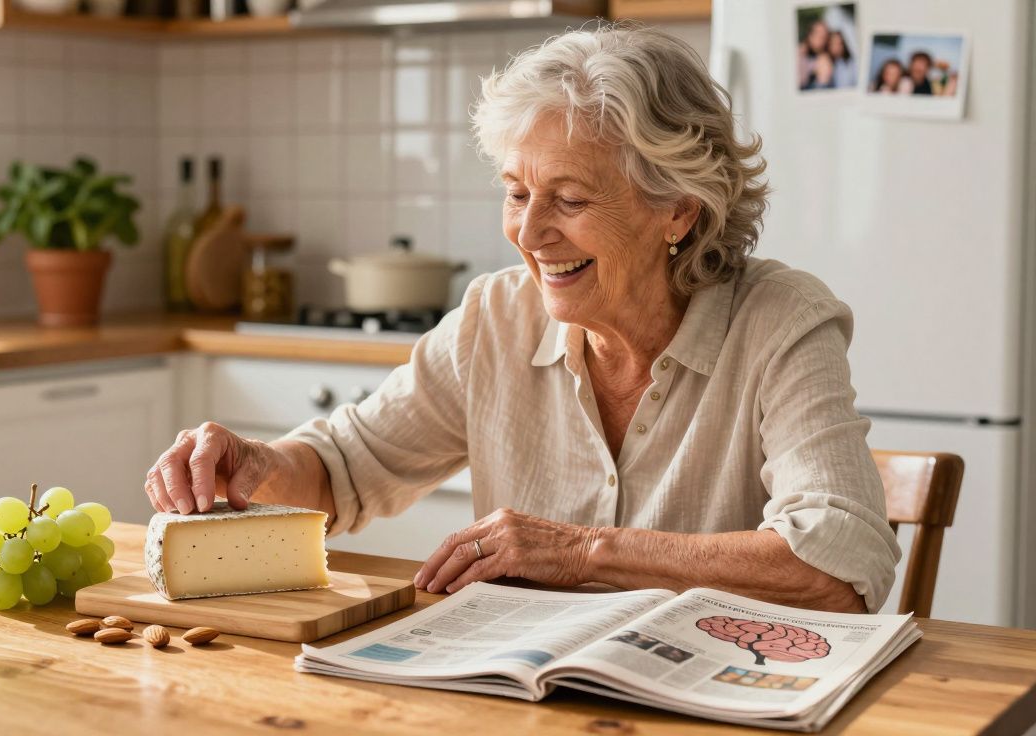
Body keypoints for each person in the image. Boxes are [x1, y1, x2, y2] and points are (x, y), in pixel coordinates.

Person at [144, 25, 900, 614]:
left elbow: (837, 564)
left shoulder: (779, 321)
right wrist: (258, 464)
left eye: (569, 200)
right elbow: (344, 472)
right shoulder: (494, 317)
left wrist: (582, 552)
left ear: (677, 212)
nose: (529, 233)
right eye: (515, 192)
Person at [796, 19, 830, 91]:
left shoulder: (822, 55)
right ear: (810, 36)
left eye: (825, 36)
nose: (823, 40)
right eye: (819, 36)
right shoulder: (799, 55)